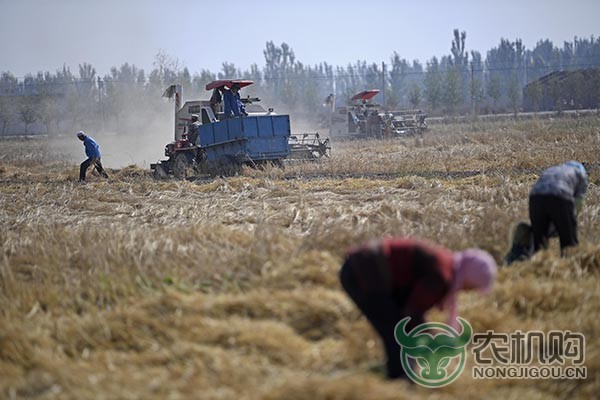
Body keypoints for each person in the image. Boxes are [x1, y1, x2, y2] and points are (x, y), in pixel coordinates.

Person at [339, 237, 497, 379]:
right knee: (396, 333)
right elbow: (411, 313)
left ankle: (400, 376)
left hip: (366, 268)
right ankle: (399, 384)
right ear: (469, 277)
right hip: (363, 272)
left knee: (398, 330)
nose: (469, 291)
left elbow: (410, 307)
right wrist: (432, 339)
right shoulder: (441, 277)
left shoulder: (447, 264)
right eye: (473, 287)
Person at [529, 161, 588, 255]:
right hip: (560, 196)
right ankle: (568, 264)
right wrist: (569, 221)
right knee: (569, 242)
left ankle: (539, 264)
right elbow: (578, 203)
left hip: (535, 197)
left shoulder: (552, 169)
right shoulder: (581, 174)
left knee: (539, 239)